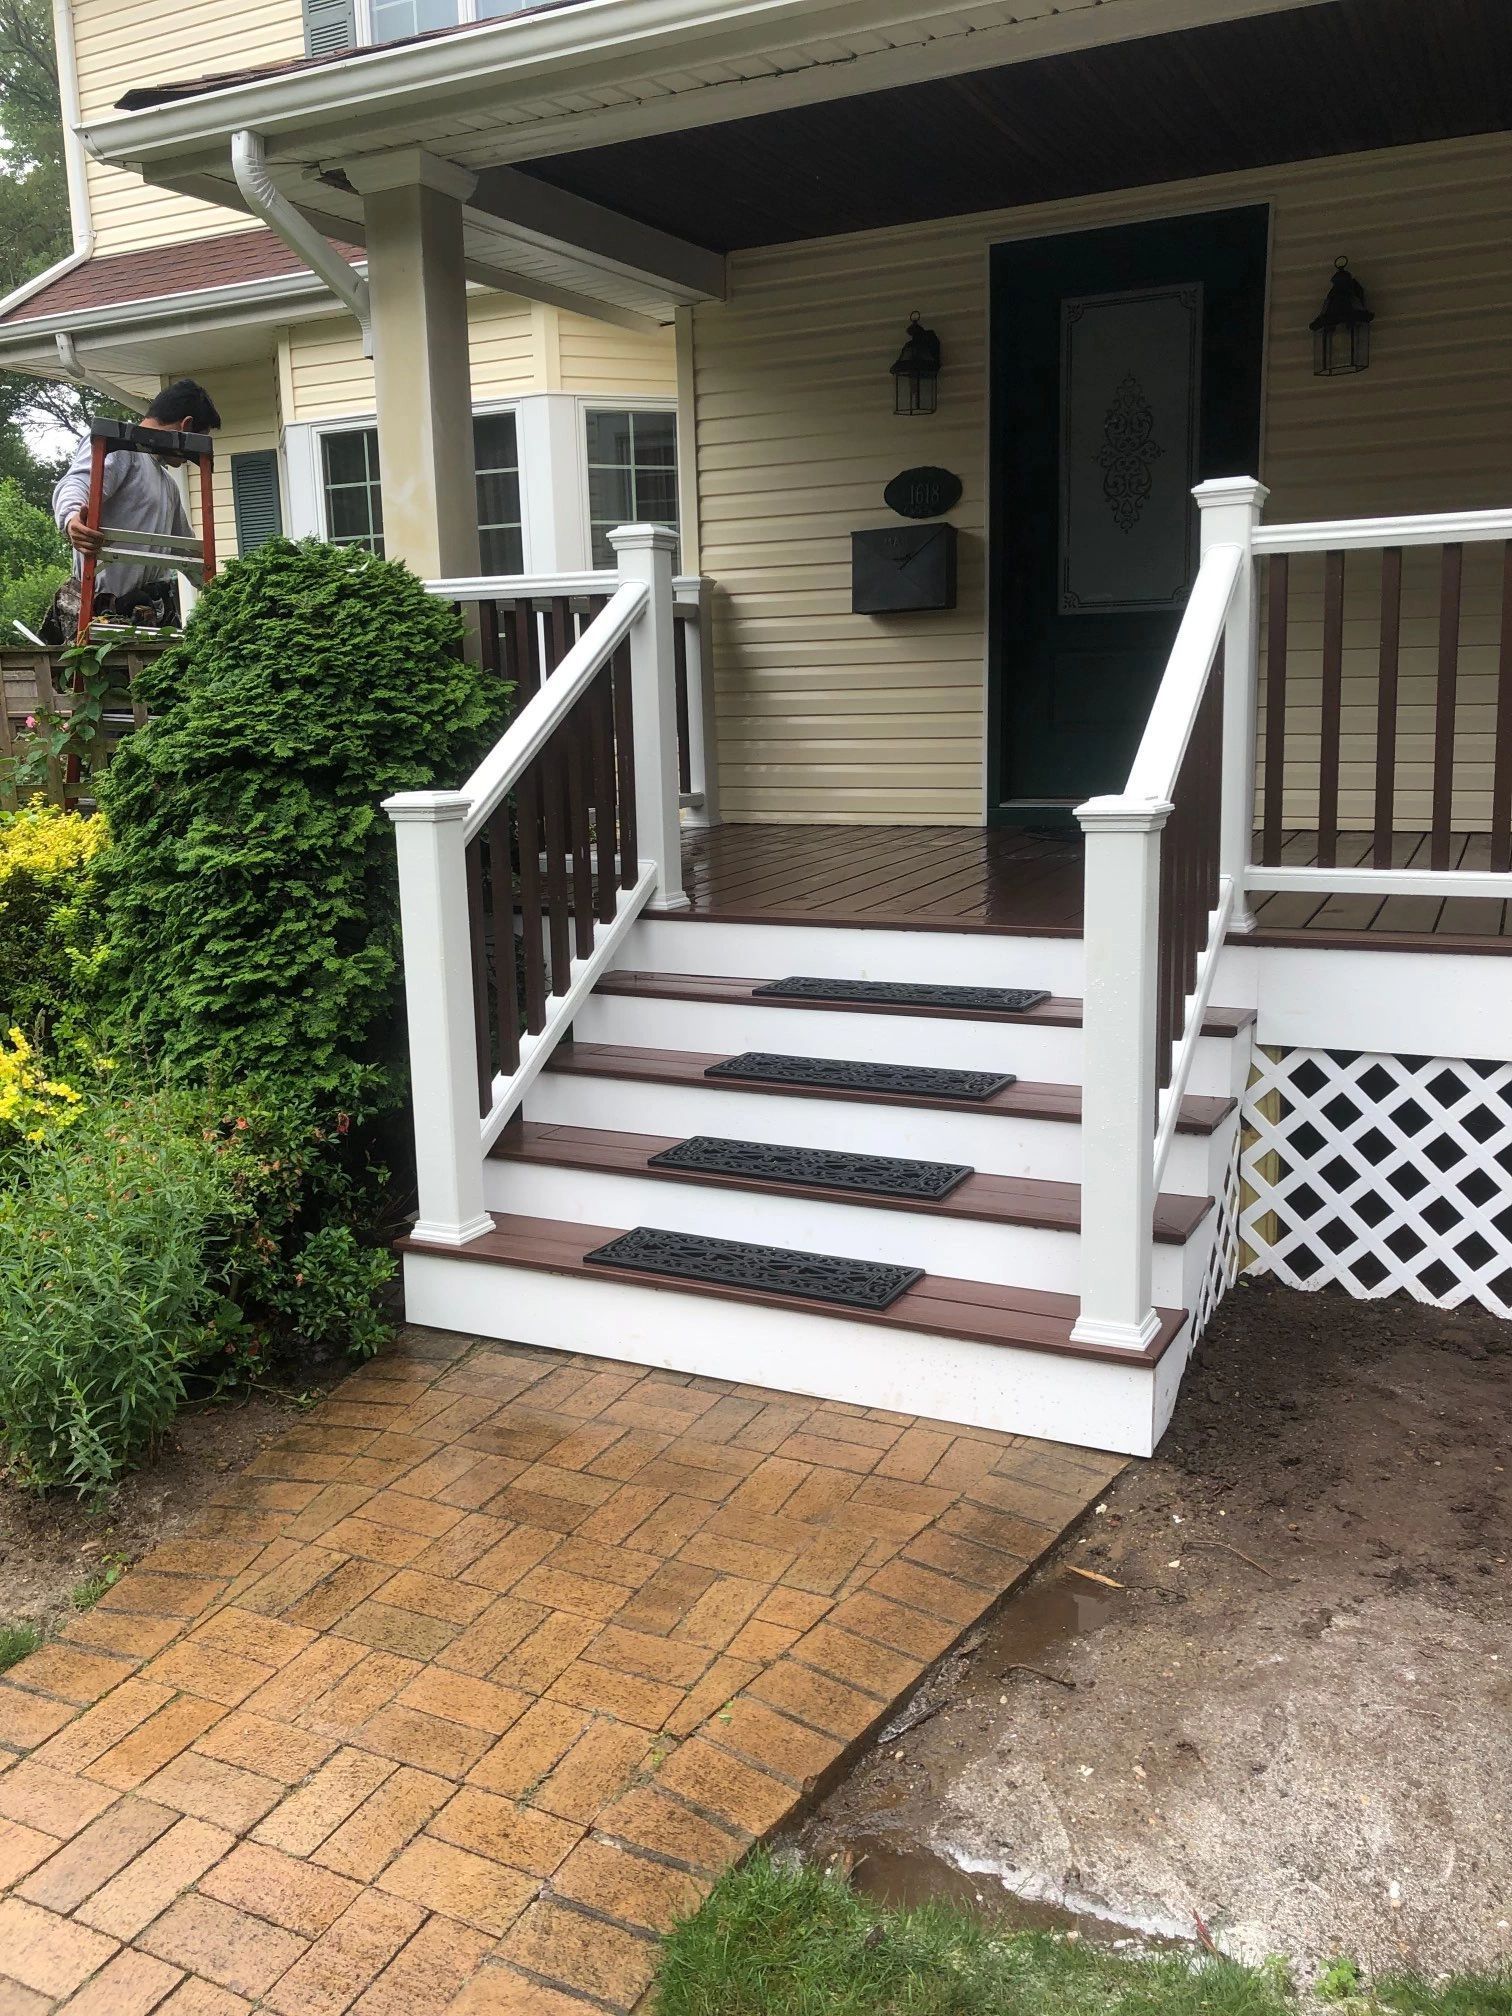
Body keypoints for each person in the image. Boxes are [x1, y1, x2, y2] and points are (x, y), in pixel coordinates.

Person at [46, 378, 222, 639]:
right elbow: (77, 482)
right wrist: (72, 518)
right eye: (198, 440)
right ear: (186, 427)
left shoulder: (167, 485)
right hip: (100, 616)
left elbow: (190, 553)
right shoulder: (122, 450)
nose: (189, 457)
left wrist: (226, 591)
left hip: (144, 615)